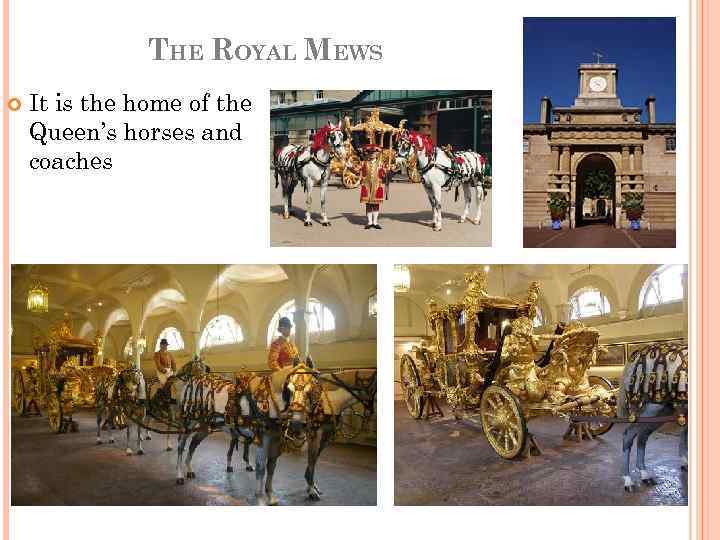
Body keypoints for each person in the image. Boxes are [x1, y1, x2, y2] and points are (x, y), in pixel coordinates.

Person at [360, 144, 386, 230]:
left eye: (373, 152)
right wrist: (350, 167)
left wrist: (387, 172)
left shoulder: (380, 164)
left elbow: (383, 174)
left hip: (377, 185)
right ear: (367, 154)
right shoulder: (364, 163)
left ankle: (375, 222)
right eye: (370, 152)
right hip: (367, 185)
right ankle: (369, 222)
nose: (371, 154)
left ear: (376, 154)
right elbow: (358, 170)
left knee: (376, 204)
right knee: (368, 204)